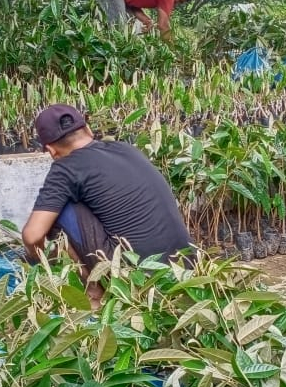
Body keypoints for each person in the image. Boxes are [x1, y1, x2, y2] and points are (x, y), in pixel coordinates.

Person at [22, 104, 194, 276]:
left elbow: (32, 236)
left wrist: (40, 262)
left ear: (51, 151)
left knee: (57, 210)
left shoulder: (65, 168)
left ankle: (92, 288)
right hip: (185, 265)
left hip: (137, 273)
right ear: (88, 130)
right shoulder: (126, 148)